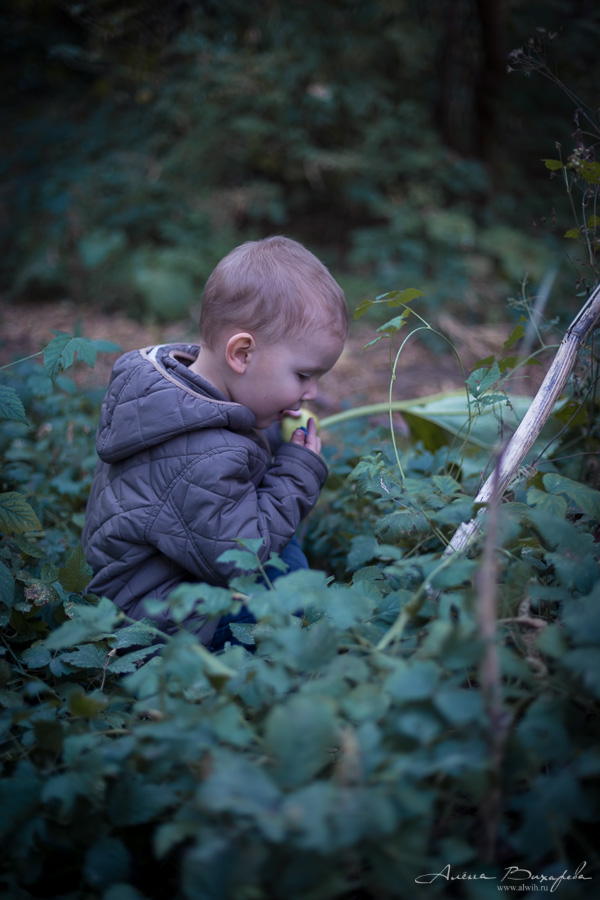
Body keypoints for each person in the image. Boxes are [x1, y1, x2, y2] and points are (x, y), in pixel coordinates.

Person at [82, 236, 348, 649]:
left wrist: (272, 428)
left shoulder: (181, 390)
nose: (312, 393)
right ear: (241, 354)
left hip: (177, 572)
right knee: (295, 600)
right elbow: (242, 562)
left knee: (286, 549)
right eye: (303, 375)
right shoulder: (201, 454)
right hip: (159, 622)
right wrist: (297, 474)